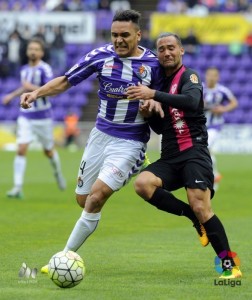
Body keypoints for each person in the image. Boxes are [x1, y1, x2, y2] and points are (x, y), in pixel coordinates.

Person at [20, 10, 163, 273]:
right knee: (82, 198)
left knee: (96, 198)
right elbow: (65, 81)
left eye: (125, 35)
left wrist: (154, 101)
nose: (118, 40)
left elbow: (165, 94)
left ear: (138, 35)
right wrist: (37, 92)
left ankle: (62, 259)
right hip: (99, 136)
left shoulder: (153, 64)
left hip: (130, 141)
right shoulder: (100, 57)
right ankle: (137, 164)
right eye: (114, 34)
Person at [126, 32, 242, 279]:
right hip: (170, 155)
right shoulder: (158, 84)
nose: (166, 53)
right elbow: (161, 127)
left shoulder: (189, 76)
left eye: (171, 48)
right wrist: (149, 114)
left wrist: (153, 96)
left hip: (193, 152)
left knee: (200, 205)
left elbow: (191, 102)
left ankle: (231, 267)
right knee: (143, 184)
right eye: (161, 49)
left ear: (181, 51)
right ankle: (191, 216)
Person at [2, 38, 66, 198]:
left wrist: (31, 88)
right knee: (21, 149)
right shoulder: (24, 70)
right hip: (26, 116)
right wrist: (12, 95)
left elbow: (52, 89)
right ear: (27, 51)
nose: (33, 51)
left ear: (42, 53)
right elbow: (24, 87)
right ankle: (17, 187)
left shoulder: (45, 69)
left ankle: (58, 173)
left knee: (49, 151)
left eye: (36, 49)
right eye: (31, 48)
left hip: (43, 117)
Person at [203, 67, 238, 187]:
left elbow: (234, 103)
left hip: (215, 125)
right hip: (200, 125)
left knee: (206, 147)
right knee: (206, 151)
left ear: (218, 77)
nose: (211, 77)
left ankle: (212, 176)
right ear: (206, 76)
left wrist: (223, 109)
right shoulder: (200, 88)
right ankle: (214, 174)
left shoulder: (222, 91)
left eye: (214, 75)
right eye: (209, 75)